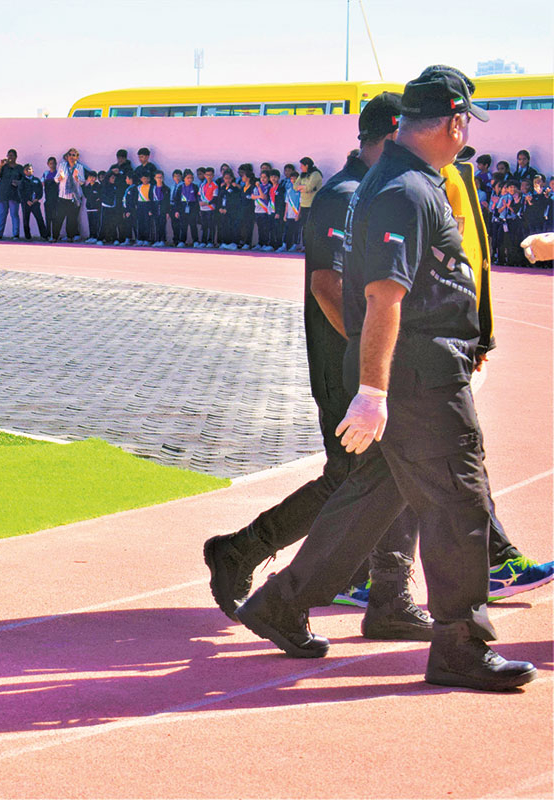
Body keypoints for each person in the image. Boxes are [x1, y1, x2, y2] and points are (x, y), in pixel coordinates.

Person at [234, 67, 540, 691]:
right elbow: (383, 296)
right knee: (459, 501)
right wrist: (374, 393)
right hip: (418, 375)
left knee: (373, 501)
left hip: (407, 370)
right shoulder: (406, 190)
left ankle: (281, 603)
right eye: (465, 126)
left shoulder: (405, 180)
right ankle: (460, 643)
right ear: (454, 122)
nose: (465, 138)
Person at [205, 93, 432, 640]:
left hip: (367, 365)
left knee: (386, 475)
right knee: (358, 479)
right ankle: (244, 552)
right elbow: (327, 286)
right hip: (345, 366)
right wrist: (367, 357)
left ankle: (386, 593)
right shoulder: (344, 195)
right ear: (394, 133)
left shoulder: (376, 191)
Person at [54, 148, 86, 241]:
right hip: (63, 196)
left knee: (72, 219)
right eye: (70, 155)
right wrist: (60, 177)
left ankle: (70, 237)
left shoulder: (79, 167)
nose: (71, 157)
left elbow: (82, 182)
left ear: (77, 157)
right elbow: (56, 179)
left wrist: (76, 177)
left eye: (73, 155)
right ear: (67, 157)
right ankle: (55, 237)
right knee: (59, 218)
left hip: (74, 197)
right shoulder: (62, 165)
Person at [0, 149, 23, 239]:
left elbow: (24, 180)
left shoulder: (20, 168)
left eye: (12, 155)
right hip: (3, 195)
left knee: (14, 215)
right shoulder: (3, 167)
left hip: (14, 195)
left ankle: (16, 235)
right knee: (2, 215)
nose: (10, 157)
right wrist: (0, 165)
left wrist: (18, 182)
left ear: (16, 157)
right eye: (8, 155)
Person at [294, 155, 323, 234]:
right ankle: (304, 245)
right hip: (303, 204)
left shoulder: (315, 174)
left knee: (311, 225)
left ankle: (311, 245)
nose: (300, 168)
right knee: (304, 226)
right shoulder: (302, 174)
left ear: (307, 165)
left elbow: (309, 188)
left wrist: (303, 188)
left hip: (312, 204)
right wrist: (304, 187)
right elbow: (295, 186)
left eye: (301, 166)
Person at [19, 163, 47, 240]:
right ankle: (28, 237)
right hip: (26, 204)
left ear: (33, 170)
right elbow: (20, 192)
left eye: (30, 169)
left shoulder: (36, 180)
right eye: (26, 169)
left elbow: (40, 191)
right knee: (26, 219)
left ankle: (44, 236)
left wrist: (37, 199)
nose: (28, 170)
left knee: (39, 219)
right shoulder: (22, 181)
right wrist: (26, 200)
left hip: (35, 203)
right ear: (24, 171)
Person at [42, 156, 60, 241]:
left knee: (55, 218)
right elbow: (41, 183)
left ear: (56, 164)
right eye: (50, 163)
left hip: (56, 199)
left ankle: (55, 235)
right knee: (48, 218)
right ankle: (48, 235)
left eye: (53, 163)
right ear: (48, 164)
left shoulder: (59, 174)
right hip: (47, 199)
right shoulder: (45, 173)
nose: (52, 165)